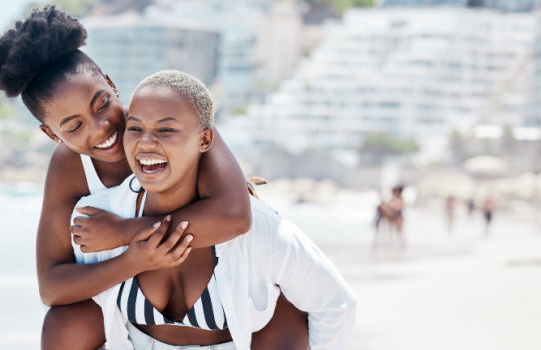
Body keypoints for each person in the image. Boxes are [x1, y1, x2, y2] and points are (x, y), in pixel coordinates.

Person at [0, 6, 308, 349]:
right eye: (74, 126)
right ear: (53, 136)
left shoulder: (169, 115)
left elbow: (234, 216)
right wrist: (133, 260)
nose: (101, 127)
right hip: (140, 321)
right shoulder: (69, 168)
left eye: (102, 104)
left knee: (286, 307)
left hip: (228, 312)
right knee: (63, 322)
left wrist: (123, 232)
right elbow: (52, 286)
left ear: (111, 83)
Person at [71, 70, 356, 349]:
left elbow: (336, 304)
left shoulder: (259, 229)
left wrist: (125, 233)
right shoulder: (98, 217)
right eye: (135, 128)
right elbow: (68, 297)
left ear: (205, 140)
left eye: (166, 129)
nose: (146, 141)